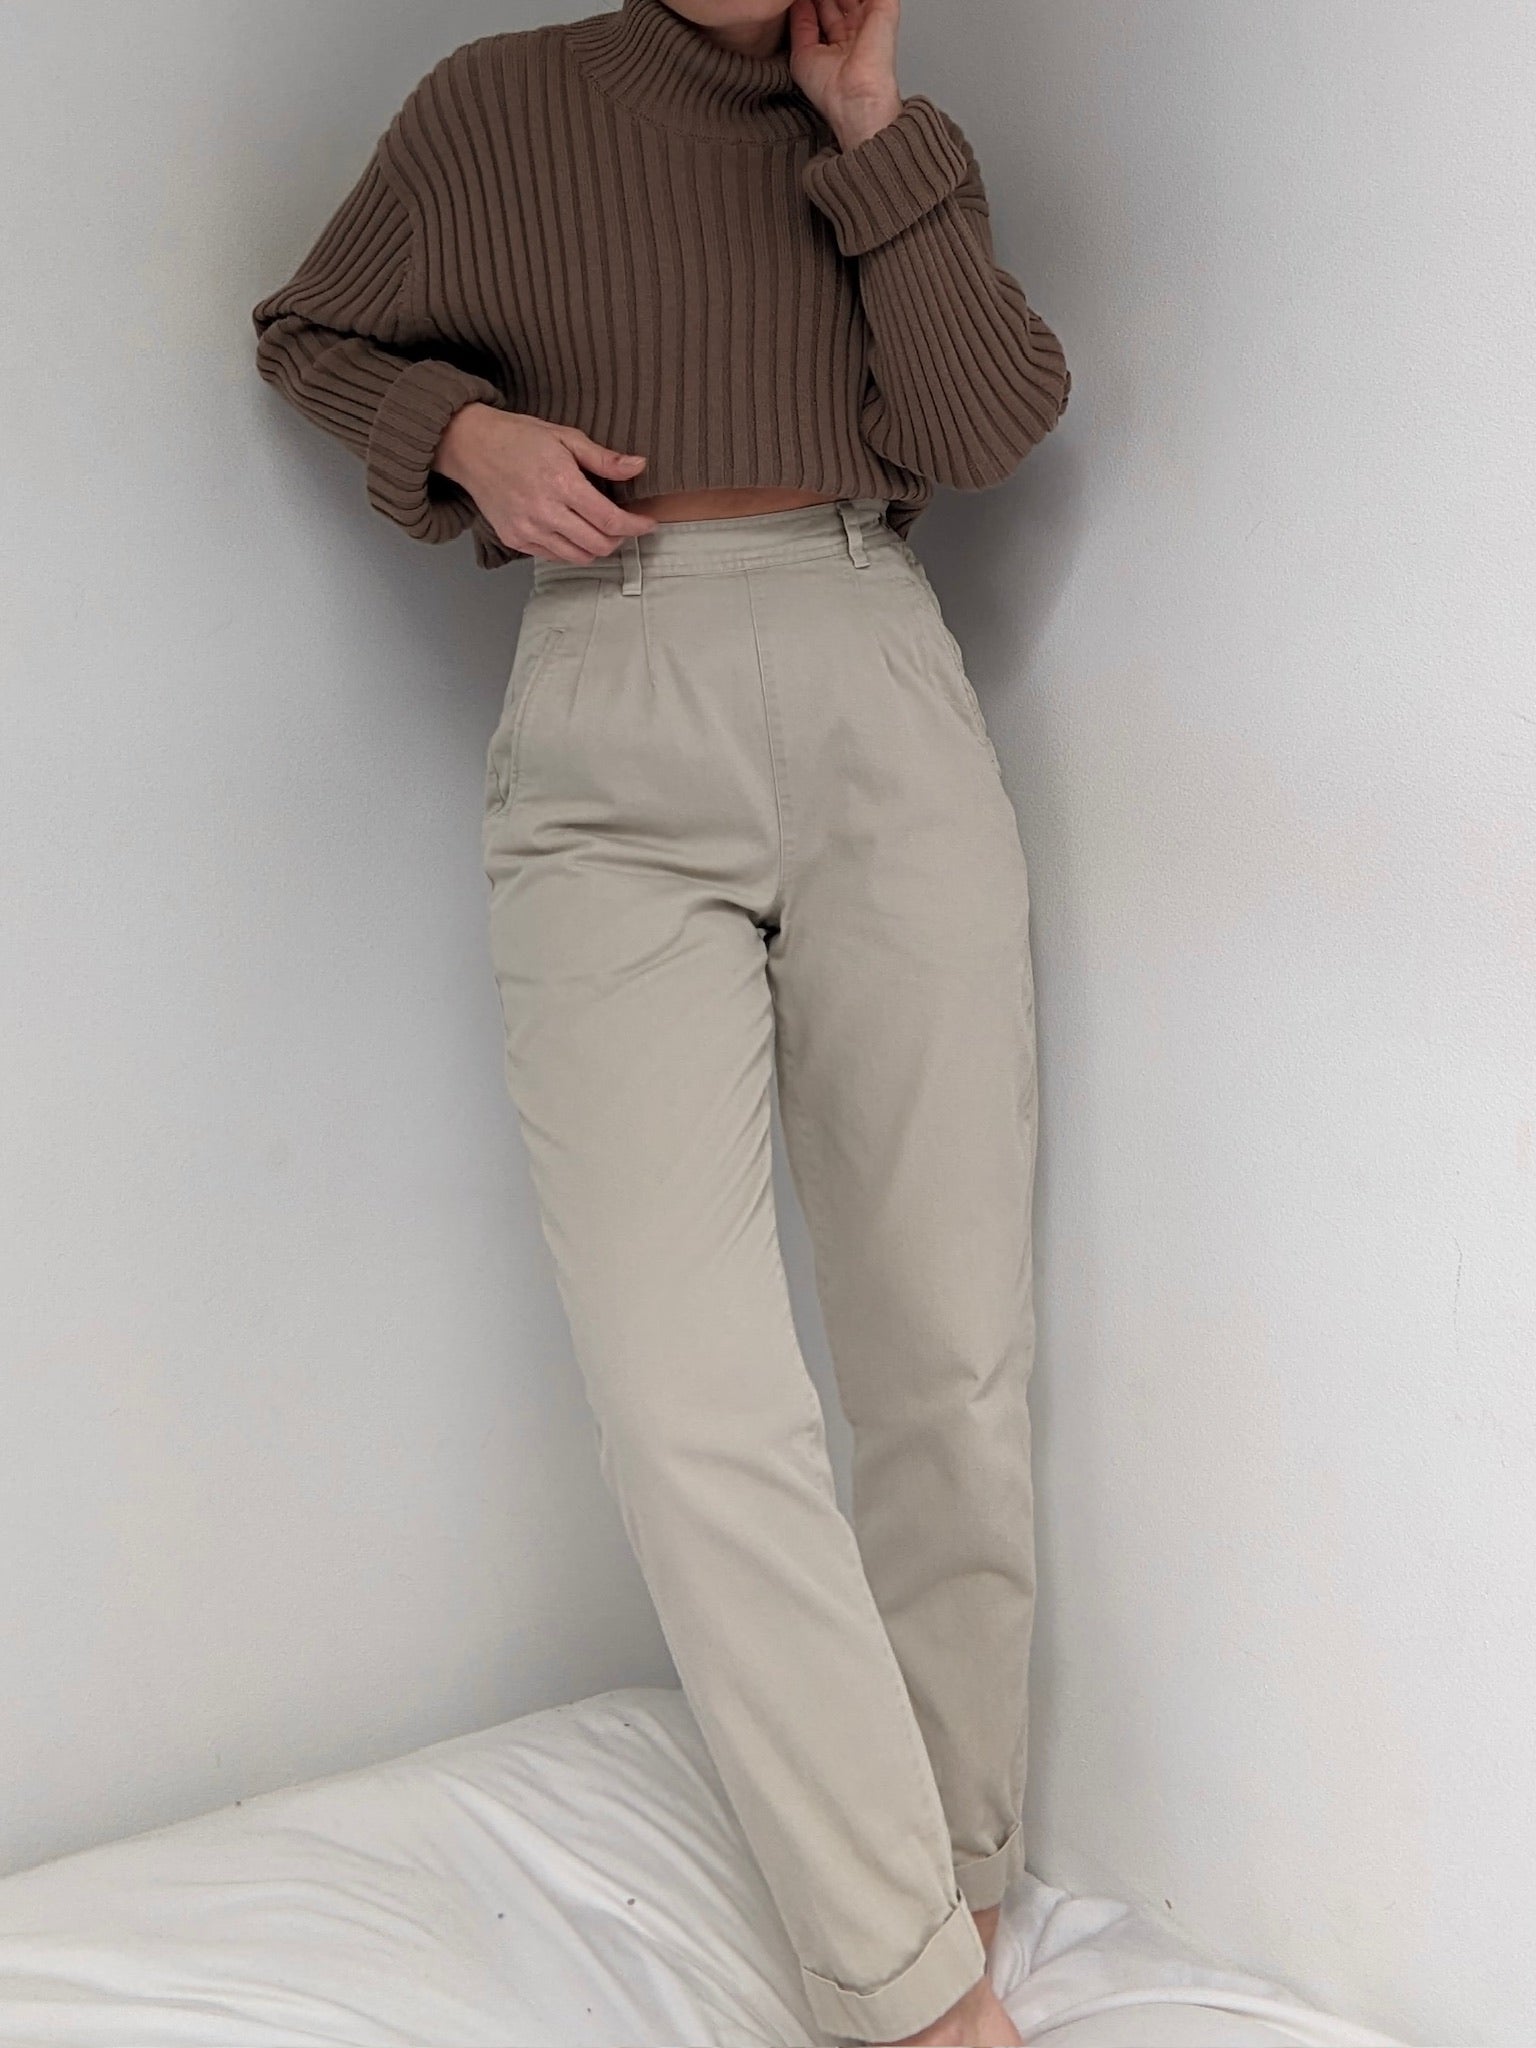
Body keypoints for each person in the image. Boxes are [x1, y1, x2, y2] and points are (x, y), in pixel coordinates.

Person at [250, 1, 1069, 2040]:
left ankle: (951, 1889)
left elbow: (987, 426)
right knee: (686, 1388)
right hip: (610, 707)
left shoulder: (883, 130)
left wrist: (868, 128)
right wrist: (463, 435)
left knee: (947, 1350)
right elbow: (310, 328)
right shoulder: (497, 105)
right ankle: (911, 1992)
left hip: (875, 671)